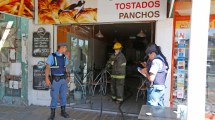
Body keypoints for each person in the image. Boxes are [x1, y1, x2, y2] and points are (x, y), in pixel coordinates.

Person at [45, 42, 70, 120]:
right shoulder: (51, 56)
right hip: (55, 80)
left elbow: (65, 67)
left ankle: (63, 112)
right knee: (55, 97)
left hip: (64, 79)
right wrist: (46, 78)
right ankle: (52, 114)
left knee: (63, 96)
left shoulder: (64, 57)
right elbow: (47, 68)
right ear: (61, 47)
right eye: (65, 47)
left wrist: (68, 76)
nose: (66, 49)